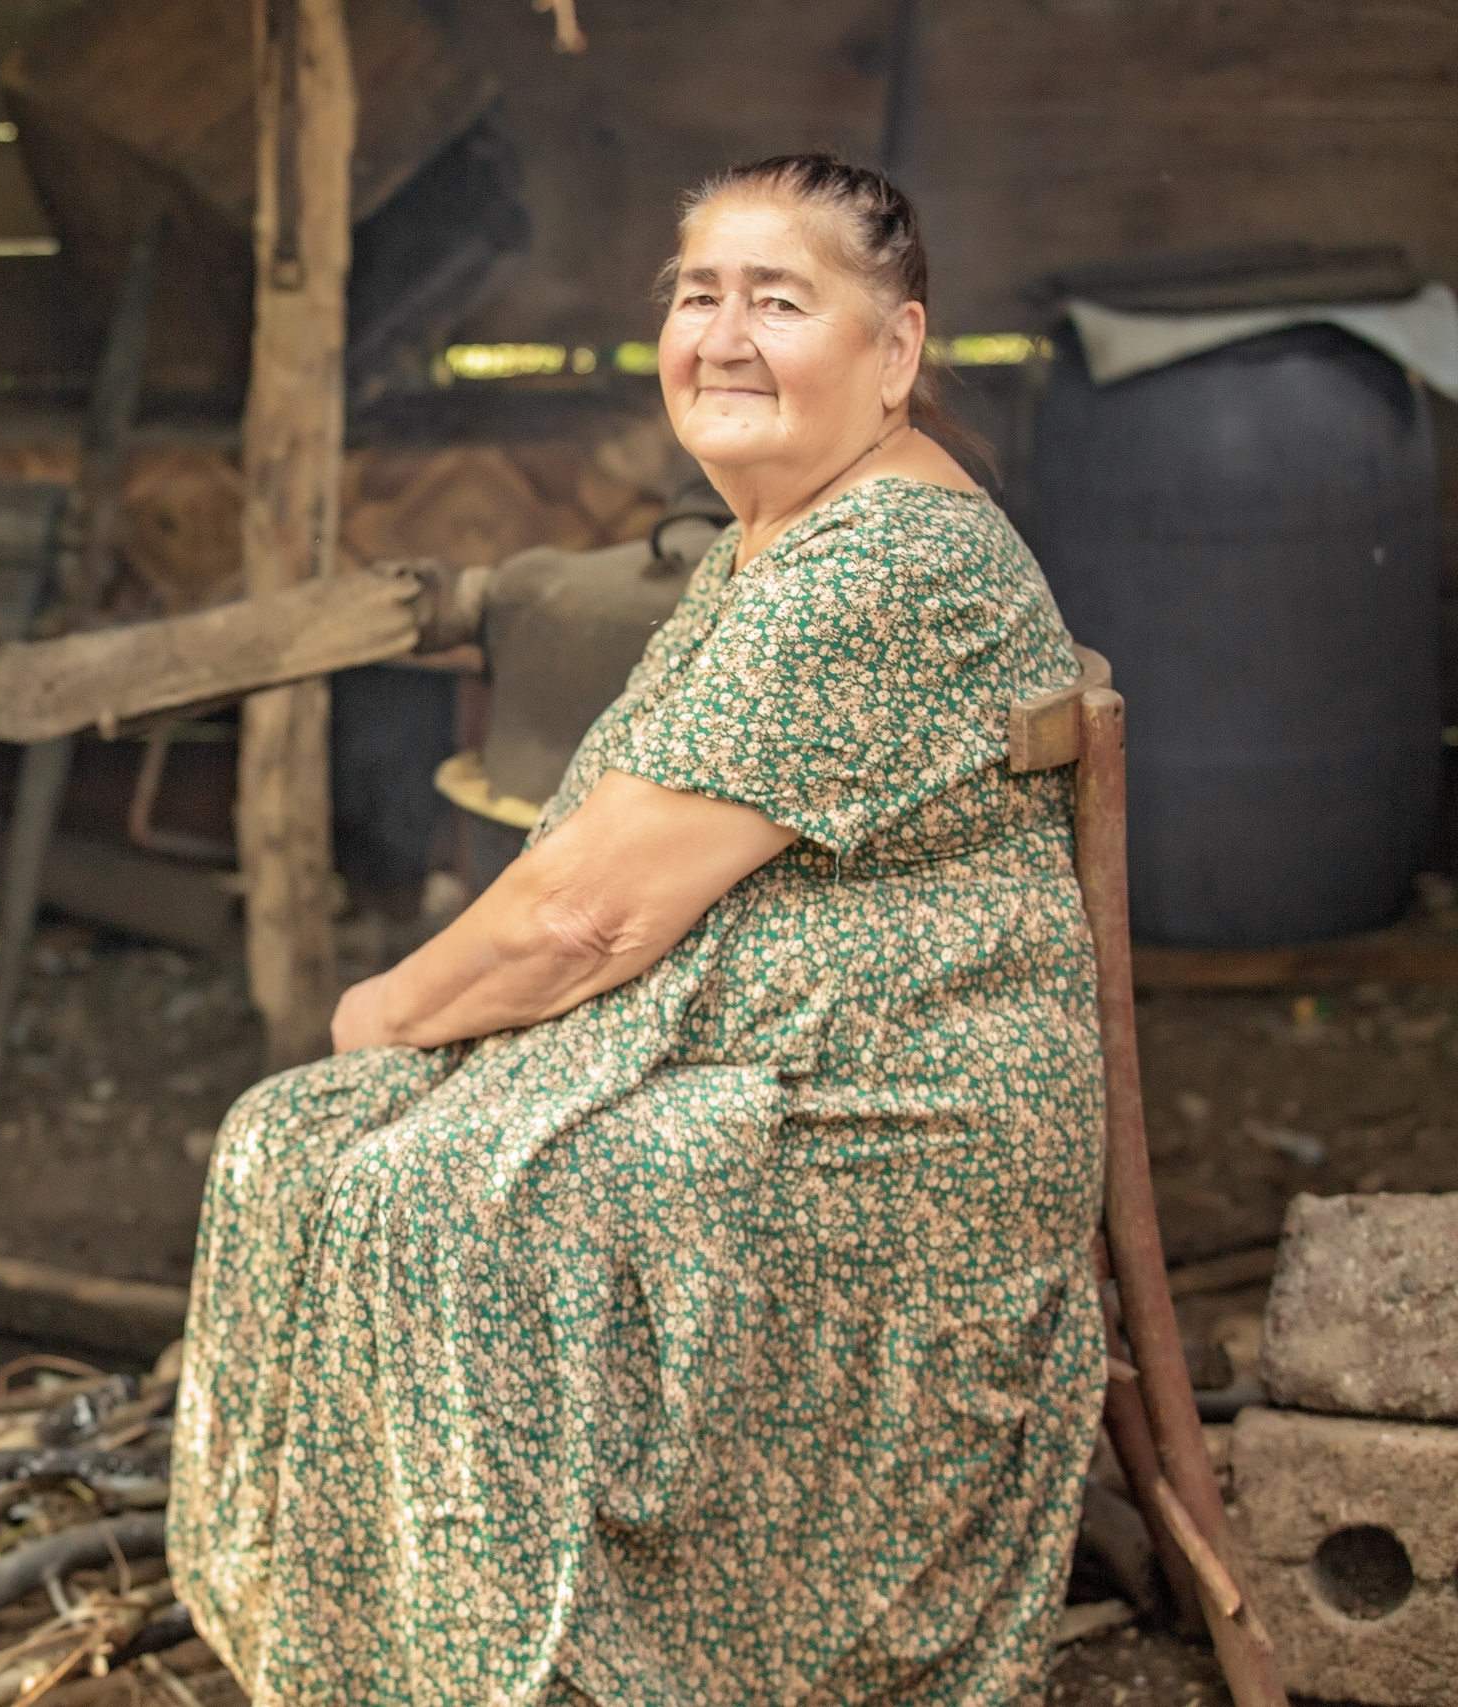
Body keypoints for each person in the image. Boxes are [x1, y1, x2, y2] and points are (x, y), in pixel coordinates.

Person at [168, 153, 1103, 1706]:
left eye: (778, 301)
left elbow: (588, 914)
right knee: (292, 1144)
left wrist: (379, 1017)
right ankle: (356, 1659)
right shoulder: (776, 539)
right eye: (697, 295)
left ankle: (531, 1668)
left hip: (896, 1118)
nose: (722, 338)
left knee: (437, 1197)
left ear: (896, 352)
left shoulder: (890, 558)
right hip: (761, 1066)